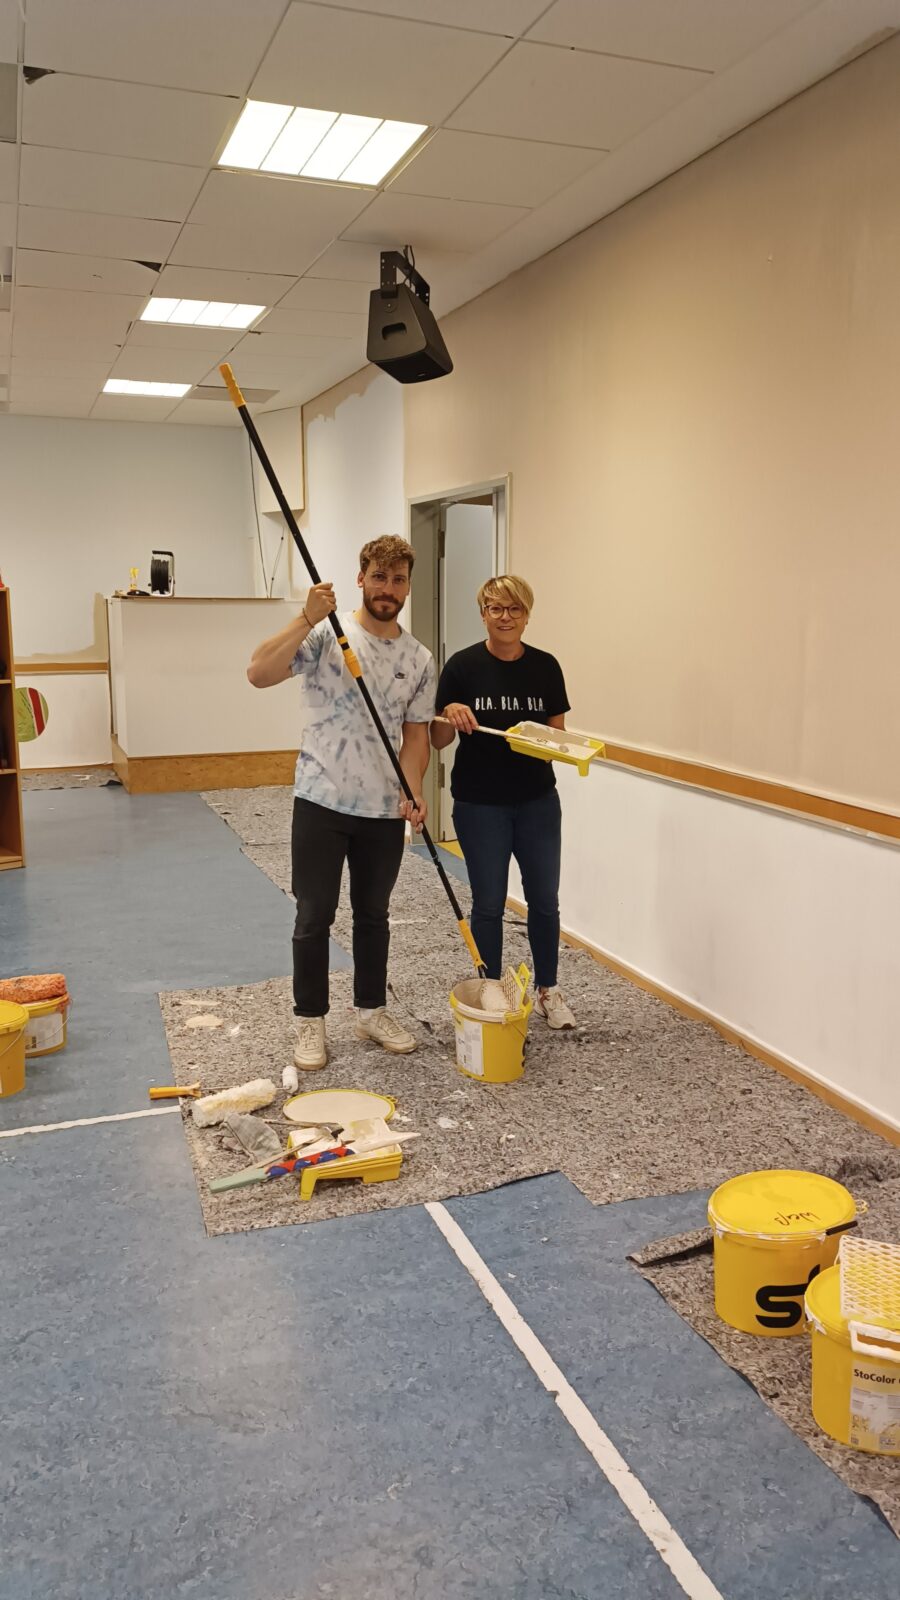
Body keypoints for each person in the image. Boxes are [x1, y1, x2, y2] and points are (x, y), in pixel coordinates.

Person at [247, 535, 435, 1086]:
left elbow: (417, 736)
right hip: (321, 798)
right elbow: (258, 672)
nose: (389, 590)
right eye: (379, 577)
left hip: (382, 809)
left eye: (399, 580)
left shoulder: (419, 658)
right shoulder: (329, 635)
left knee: (374, 915)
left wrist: (414, 786)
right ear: (361, 579)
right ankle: (310, 1020)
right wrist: (304, 618)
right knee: (314, 915)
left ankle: (372, 1011)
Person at [431, 575, 576, 1030]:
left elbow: (559, 739)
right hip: (479, 804)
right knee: (489, 903)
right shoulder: (461, 667)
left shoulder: (546, 667)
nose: (506, 618)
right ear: (484, 615)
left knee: (544, 901)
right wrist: (450, 714)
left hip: (536, 801)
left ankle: (547, 990)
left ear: (527, 614)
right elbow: (436, 740)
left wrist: (546, 742)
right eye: (496, 609)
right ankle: (491, 989)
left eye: (514, 609)